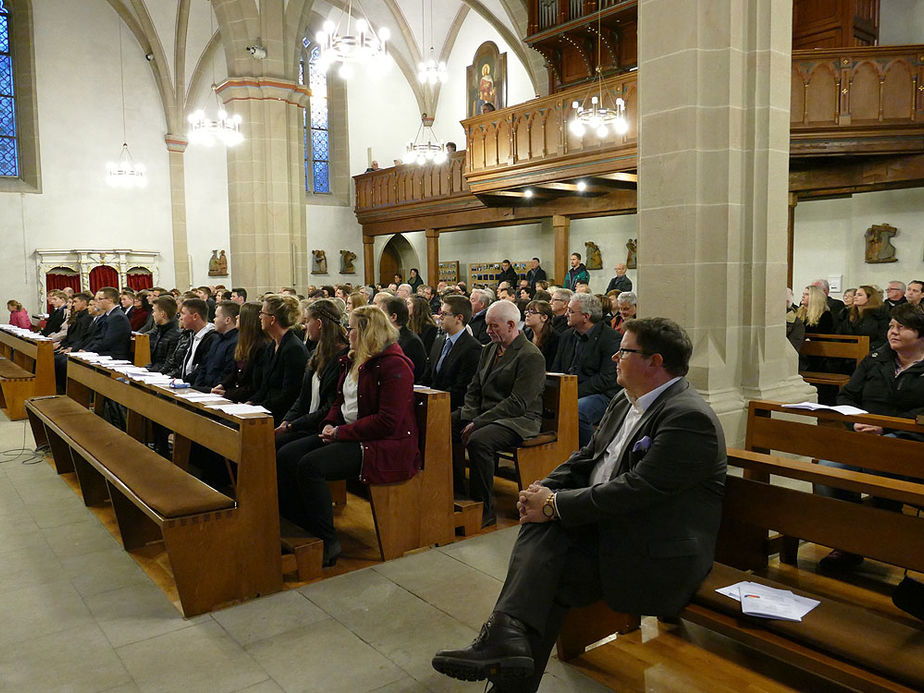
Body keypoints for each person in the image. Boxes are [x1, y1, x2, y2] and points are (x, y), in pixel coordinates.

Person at [432, 317, 727, 692]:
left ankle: (503, 641)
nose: (615, 357)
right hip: (614, 529)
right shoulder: (625, 400)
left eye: (625, 351)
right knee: (542, 550)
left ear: (655, 362)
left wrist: (554, 505)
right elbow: (587, 455)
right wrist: (542, 489)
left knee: (546, 570)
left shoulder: (688, 418)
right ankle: (505, 640)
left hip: (658, 551)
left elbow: (637, 490)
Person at [275, 305, 420, 567]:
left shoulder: (394, 366)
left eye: (351, 327)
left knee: (311, 466)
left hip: (381, 444)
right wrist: (331, 423)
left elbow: (388, 421)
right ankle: (300, 524)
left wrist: (341, 432)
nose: (347, 332)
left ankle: (327, 540)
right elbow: (339, 403)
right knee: (286, 454)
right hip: (350, 432)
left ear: (367, 331)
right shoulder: (354, 359)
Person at [816, 304, 924, 571]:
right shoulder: (876, 358)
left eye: (901, 327)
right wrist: (857, 421)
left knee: (882, 465)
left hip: (910, 443)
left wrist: (886, 429)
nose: (893, 332)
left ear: (921, 334)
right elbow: (847, 395)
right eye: (891, 326)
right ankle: (848, 543)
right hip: (865, 439)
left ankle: (885, 534)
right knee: (829, 471)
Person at [452, 300, 546, 527]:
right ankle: (455, 491)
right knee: (441, 422)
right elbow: (474, 386)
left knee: (479, 441)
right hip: (487, 413)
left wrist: (478, 422)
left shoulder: (530, 355)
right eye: (487, 325)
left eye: (493, 326)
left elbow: (517, 403)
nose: (487, 331)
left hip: (517, 420)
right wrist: (470, 414)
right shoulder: (490, 349)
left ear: (511, 325)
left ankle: (484, 507)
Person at [275, 299, 350, 448]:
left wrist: (292, 426)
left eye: (308, 321)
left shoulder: (342, 358)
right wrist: (287, 420)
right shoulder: (316, 353)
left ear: (320, 324)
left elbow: (328, 407)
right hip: (307, 423)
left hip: (322, 426)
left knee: (285, 451)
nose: (305, 326)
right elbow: (302, 397)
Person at [551, 293, 622, 448]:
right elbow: (557, 368)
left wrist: (571, 392)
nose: (566, 315)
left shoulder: (610, 338)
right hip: (569, 390)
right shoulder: (567, 336)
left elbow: (607, 378)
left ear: (586, 316)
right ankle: (555, 454)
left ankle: (590, 454)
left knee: (577, 412)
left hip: (602, 394)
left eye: (570, 311)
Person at [250, 294, 310, 424]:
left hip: (281, 415)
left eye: (262, 313)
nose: (259, 317)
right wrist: (251, 403)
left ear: (272, 319)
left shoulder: (293, 349)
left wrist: (257, 408)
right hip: (266, 408)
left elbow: (288, 395)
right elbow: (265, 386)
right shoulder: (273, 345)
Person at [422, 295, 482, 409]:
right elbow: (428, 375)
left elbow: (462, 389)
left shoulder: (472, 348)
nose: (440, 318)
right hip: (430, 402)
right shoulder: (439, 341)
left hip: (450, 407)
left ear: (459, 318)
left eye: (444, 314)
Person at [213, 302, 270, 403]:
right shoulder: (243, 343)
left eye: (241, 314)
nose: (237, 316)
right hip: (237, 396)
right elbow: (234, 373)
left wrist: (227, 394)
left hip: (248, 400)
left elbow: (255, 385)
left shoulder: (261, 347)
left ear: (248, 320)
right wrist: (222, 385)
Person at [376, 295, 427, 382]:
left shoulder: (411, 342)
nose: (377, 318)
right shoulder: (384, 338)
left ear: (393, 317)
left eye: (381, 314)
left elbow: (411, 374)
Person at [192, 300, 239, 391]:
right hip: (205, 390)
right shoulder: (216, 339)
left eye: (216, 316)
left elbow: (227, 374)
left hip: (217, 391)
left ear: (227, 320)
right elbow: (204, 366)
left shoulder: (235, 342)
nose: (214, 319)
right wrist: (196, 388)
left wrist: (208, 390)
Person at [81, 287, 132, 359]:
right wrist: (86, 349)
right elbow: (97, 338)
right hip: (104, 352)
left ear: (110, 300)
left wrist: (88, 351)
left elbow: (107, 342)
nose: (96, 302)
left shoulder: (117, 317)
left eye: (100, 299)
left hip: (113, 355)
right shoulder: (109, 315)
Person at [840, 284, 890, 351]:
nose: (855, 297)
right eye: (855, 294)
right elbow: (840, 333)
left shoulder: (879, 314)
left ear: (870, 298)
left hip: (869, 352)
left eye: (859, 295)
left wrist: (863, 348)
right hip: (847, 352)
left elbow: (882, 339)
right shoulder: (848, 314)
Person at [146, 295, 182, 372]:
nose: (153, 314)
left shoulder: (175, 335)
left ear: (162, 314)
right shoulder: (160, 329)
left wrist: (149, 372)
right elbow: (154, 361)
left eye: (154, 311)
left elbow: (168, 365)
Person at [523, 300, 559, 369]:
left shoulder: (554, 338)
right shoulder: (526, 334)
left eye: (532, 312)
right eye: (527, 312)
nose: (527, 315)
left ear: (544, 317)